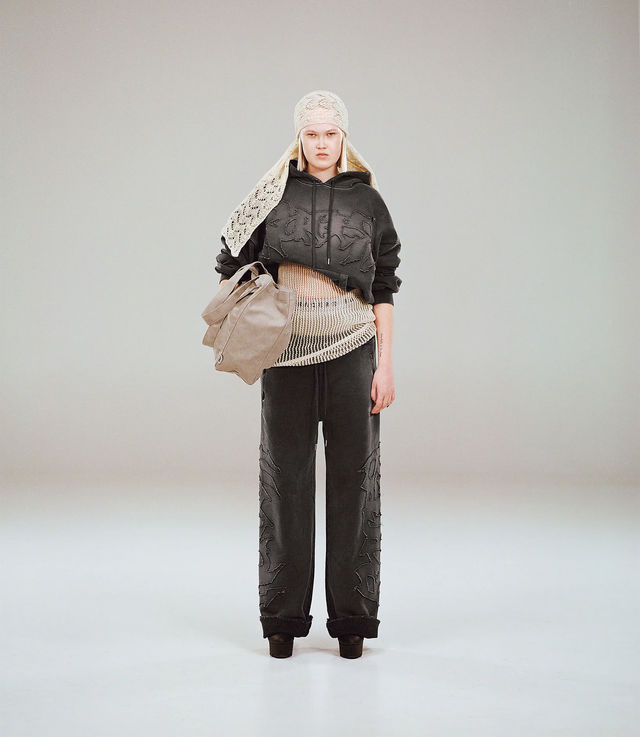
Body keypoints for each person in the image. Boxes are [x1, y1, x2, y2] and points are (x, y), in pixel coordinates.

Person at [215, 90, 402, 658]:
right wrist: (260, 307)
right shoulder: (273, 195)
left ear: (344, 138)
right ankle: (282, 620)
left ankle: (352, 621)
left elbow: (385, 284)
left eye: (331, 133)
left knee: (355, 482)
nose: (322, 143)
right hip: (286, 355)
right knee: (285, 483)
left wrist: (386, 364)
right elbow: (230, 260)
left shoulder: (368, 202)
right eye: (312, 133)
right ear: (299, 138)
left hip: (353, 352)